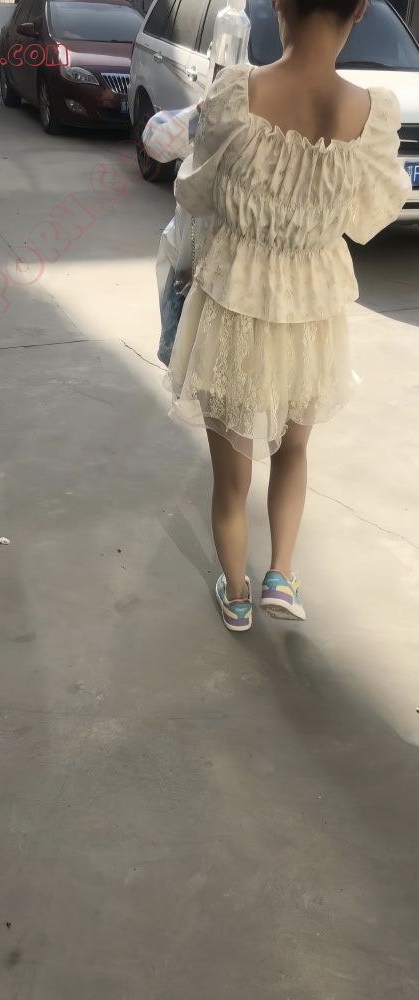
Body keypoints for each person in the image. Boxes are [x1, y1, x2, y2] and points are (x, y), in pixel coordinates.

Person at [165, 0, 411, 632]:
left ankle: (237, 595)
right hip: (313, 311)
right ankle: (281, 575)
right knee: (294, 449)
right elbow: (374, 214)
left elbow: (194, 191)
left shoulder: (236, 93)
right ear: (359, 9)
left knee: (231, 473)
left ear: (279, 4)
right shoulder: (372, 113)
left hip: (233, 301)